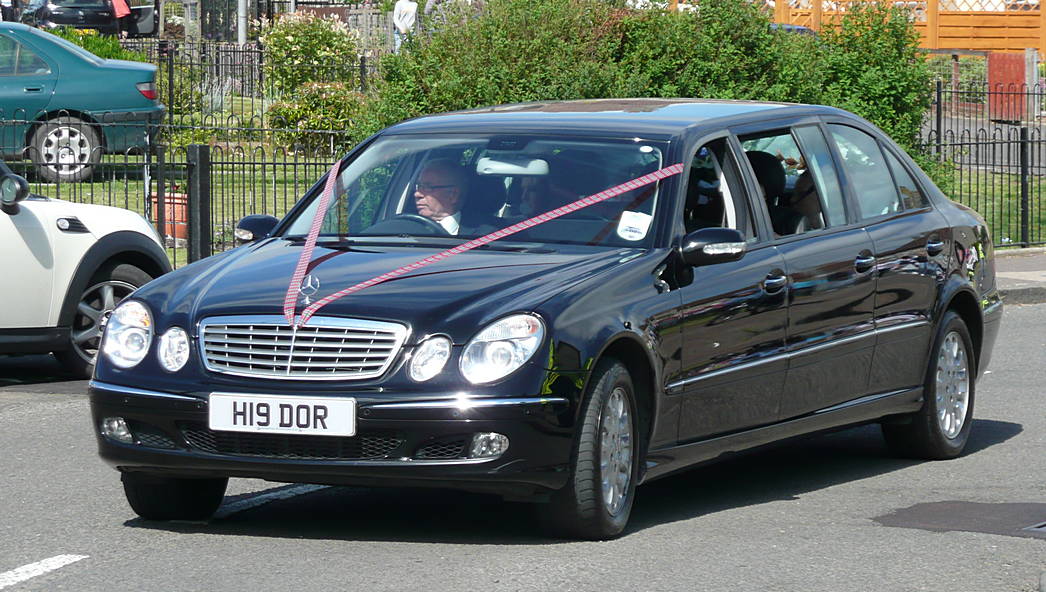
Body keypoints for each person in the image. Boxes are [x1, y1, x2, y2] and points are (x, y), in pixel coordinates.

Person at [413, 159, 468, 234]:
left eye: (428, 187)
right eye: (419, 186)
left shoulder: (483, 238)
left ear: (453, 195)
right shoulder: (405, 230)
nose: (417, 194)